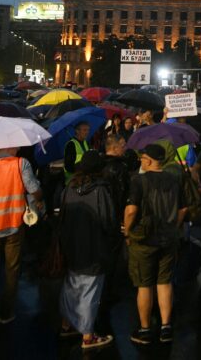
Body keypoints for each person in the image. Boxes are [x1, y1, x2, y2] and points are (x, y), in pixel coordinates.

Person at [0, 146, 44, 325]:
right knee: (12, 269)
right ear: (10, 146)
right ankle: (7, 312)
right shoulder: (21, 164)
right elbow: (34, 189)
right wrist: (38, 197)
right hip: (14, 224)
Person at [124, 144, 186, 345]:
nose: (141, 161)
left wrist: (128, 229)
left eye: (143, 158)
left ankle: (145, 329)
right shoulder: (174, 180)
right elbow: (183, 209)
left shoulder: (139, 181)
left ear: (149, 160)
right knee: (164, 282)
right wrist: (174, 226)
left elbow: (132, 210)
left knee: (144, 285)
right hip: (168, 238)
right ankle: (166, 327)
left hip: (145, 240)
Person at [59, 150, 117, 350]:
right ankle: (88, 335)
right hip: (95, 247)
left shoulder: (70, 187)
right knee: (90, 291)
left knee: (72, 285)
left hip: (71, 245)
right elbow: (108, 222)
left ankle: (66, 324)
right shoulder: (101, 190)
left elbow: (62, 216)